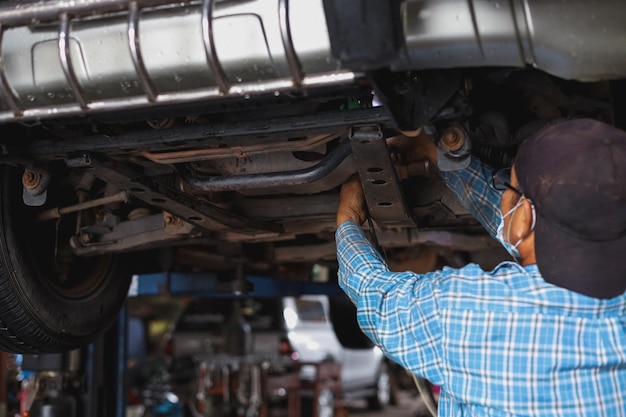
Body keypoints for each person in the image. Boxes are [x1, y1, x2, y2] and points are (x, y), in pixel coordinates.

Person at [335, 118, 626, 416]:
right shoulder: (475, 312)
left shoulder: (471, 312)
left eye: (507, 186)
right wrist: (438, 155)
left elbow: (377, 297)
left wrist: (348, 215)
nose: (504, 196)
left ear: (524, 216)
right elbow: (523, 230)